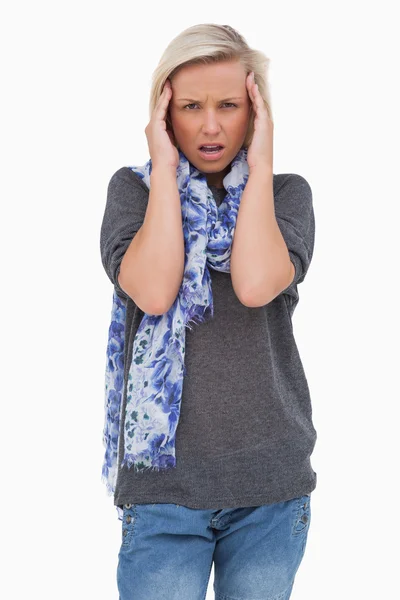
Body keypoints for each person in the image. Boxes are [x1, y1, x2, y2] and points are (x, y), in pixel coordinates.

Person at [100, 23, 317, 600]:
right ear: (164, 115)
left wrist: (263, 161)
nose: (212, 124)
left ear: (256, 111)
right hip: (163, 491)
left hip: (269, 487)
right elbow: (153, 291)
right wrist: (165, 172)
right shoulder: (134, 192)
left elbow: (253, 283)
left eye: (229, 105)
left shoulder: (287, 195)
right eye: (191, 106)